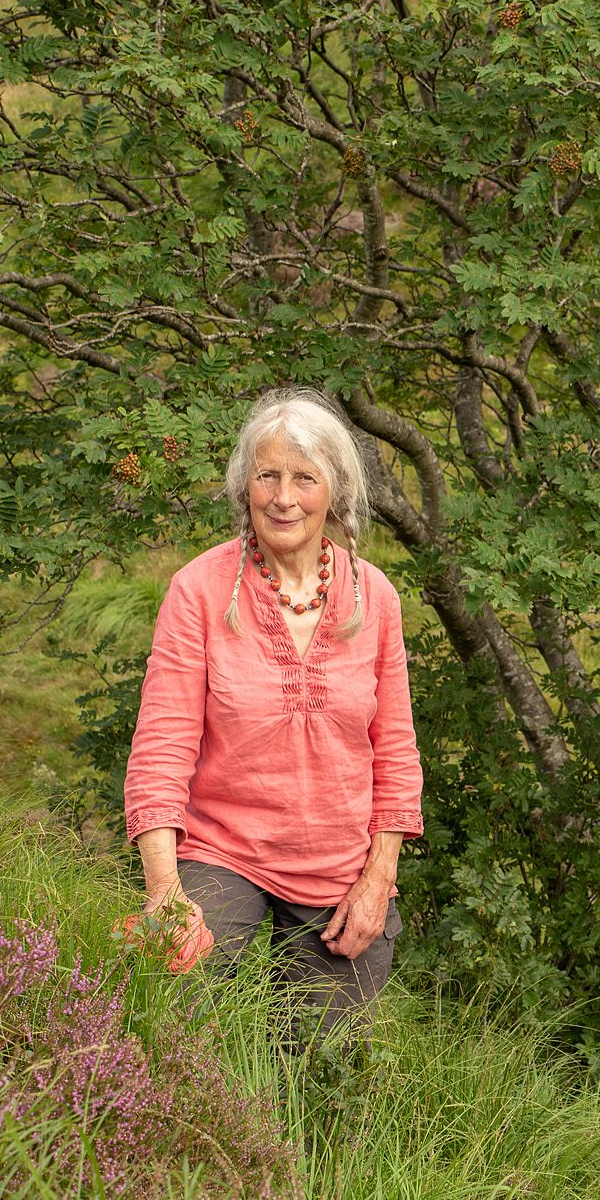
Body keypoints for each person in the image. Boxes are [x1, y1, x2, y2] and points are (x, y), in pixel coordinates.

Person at [123, 387, 423, 1038]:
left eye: (304, 478)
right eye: (268, 475)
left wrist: (378, 879)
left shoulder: (376, 598)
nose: (284, 496)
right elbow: (160, 750)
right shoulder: (197, 591)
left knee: (328, 1073)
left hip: (338, 867)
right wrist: (165, 894)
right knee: (169, 1030)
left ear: (334, 491)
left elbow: (396, 752)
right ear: (244, 487)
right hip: (220, 850)